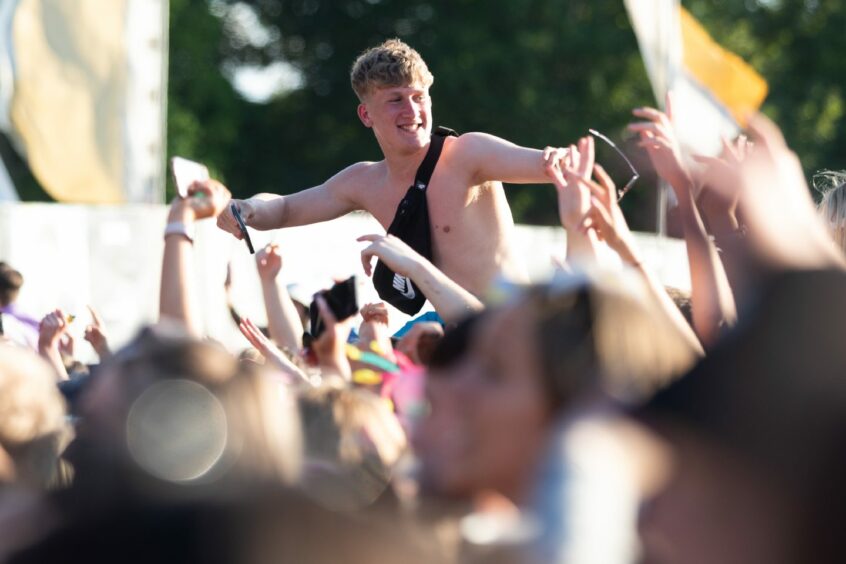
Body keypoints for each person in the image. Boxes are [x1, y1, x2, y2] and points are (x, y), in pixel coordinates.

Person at [216, 39, 581, 300]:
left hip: (506, 323)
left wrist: (558, 159)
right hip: (450, 338)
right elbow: (283, 208)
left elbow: (552, 164)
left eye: (418, 97)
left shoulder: (469, 153)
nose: (412, 111)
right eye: (395, 101)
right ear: (366, 114)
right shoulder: (364, 181)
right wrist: (245, 208)